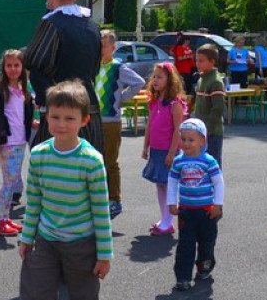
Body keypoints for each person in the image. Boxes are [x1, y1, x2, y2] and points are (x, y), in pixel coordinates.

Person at [10, 80, 112, 300]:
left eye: (70, 118)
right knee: (36, 299)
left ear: (84, 120)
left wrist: (104, 255)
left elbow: (101, 213)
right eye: (55, 117)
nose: (62, 124)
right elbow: (35, 202)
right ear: (46, 116)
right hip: (45, 241)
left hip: (82, 244)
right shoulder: (40, 155)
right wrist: (27, 238)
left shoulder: (91, 161)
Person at [24, 0, 103, 154]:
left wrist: (47, 107)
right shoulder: (92, 26)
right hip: (89, 113)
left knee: (57, 173)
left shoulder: (51, 24)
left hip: (62, 117)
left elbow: (36, 67)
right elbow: (94, 69)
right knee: (87, 172)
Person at [167, 118, 225, 291]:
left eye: (191, 140)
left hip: (207, 212)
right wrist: (171, 202)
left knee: (207, 242)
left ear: (202, 141)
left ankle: (204, 268)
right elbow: (172, 182)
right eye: (183, 139)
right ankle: (183, 277)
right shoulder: (178, 161)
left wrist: (218, 204)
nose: (186, 143)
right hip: (186, 212)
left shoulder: (209, 161)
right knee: (185, 245)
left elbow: (219, 183)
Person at [96, 30, 146, 217]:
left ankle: (115, 200)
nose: (100, 48)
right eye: (99, 44)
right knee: (95, 162)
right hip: (93, 120)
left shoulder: (118, 67)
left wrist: (122, 98)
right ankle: (99, 198)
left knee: (110, 162)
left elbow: (138, 82)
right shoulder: (94, 66)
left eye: (104, 45)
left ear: (112, 48)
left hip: (111, 121)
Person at [0, 49, 35, 237]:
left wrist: (31, 122)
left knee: (12, 180)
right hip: (7, 141)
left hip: (21, 139)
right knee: (9, 182)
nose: (13, 69)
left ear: (22, 67)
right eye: (9, 65)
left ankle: (5, 218)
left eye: (16, 65)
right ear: (3, 67)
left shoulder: (24, 88)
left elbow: (23, 113)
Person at [143, 62, 187, 235]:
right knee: (160, 185)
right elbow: (149, 125)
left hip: (168, 151)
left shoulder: (175, 103)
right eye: (154, 76)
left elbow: (178, 129)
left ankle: (168, 221)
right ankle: (164, 218)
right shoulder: (154, 101)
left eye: (160, 77)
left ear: (170, 80)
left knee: (169, 185)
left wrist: (172, 153)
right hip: (156, 149)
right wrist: (145, 145)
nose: (155, 80)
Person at [192, 44, 226, 166]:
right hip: (200, 131)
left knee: (212, 165)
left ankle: (216, 185)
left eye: (201, 61)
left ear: (212, 62)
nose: (198, 63)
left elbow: (218, 108)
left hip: (212, 133)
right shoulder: (202, 78)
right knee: (201, 164)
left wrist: (207, 130)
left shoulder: (215, 81)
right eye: (197, 60)